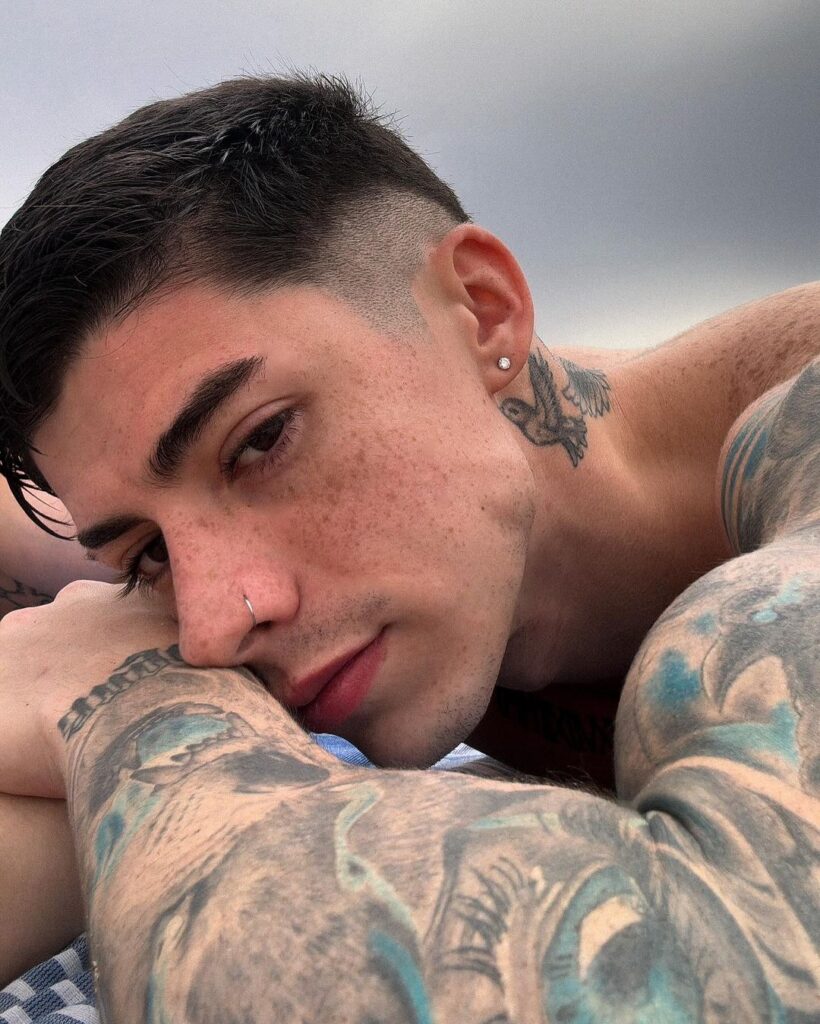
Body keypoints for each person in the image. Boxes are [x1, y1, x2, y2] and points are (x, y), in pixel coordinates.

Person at [0, 73, 816, 1019]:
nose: (215, 625)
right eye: (148, 555)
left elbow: (724, 969)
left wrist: (130, 707)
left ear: (483, 311)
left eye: (260, 442)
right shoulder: (442, 515)